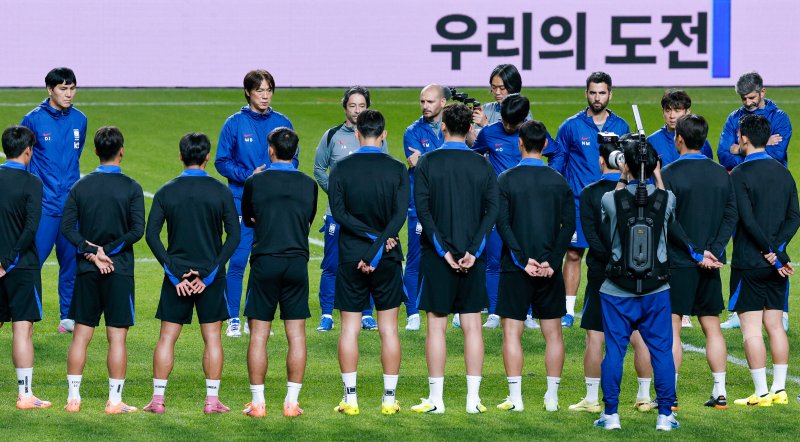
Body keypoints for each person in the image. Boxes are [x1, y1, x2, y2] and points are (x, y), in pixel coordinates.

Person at [411, 104, 498, 414]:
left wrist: (443, 250)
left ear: (443, 126)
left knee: (436, 328)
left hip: (438, 257)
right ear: (469, 130)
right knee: (472, 326)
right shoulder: (483, 165)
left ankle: (437, 400)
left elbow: (423, 211)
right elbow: (492, 211)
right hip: (472, 257)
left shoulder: (428, 162)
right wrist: (473, 250)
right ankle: (473, 401)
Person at [144, 133, 240, 414]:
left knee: (166, 337)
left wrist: (174, 274)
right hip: (210, 276)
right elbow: (233, 237)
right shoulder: (221, 191)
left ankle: (158, 400)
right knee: (212, 338)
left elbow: (151, 236)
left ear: (180, 156)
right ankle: (212, 401)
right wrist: (209, 275)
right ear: (208, 157)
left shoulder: (166, 191)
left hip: (177, 278)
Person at [593, 136, 679, 432]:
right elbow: (665, 202)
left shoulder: (610, 199)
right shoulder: (667, 199)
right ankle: (665, 416)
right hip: (656, 290)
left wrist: (624, 175)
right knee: (661, 353)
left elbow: (612, 207)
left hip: (617, 291)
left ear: (626, 166)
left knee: (614, 353)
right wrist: (655, 173)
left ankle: (611, 415)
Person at [329, 110, 409, 416]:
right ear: (384, 134)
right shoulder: (397, 168)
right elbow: (400, 215)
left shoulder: (341, 169)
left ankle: (350, 399)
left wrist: (368, 241)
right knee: (388, 329)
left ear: (358, 133)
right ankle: (389, 400)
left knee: (349, 328)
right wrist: (380, 241)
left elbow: (339, 213)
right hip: (387, 255)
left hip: (352, 256)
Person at [60, 126, 145, 414]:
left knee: (81, 334)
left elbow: (67, 229)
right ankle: (115, 401)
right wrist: (109, 251)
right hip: (119, 270)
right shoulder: (132, 187)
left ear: (95, 151)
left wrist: (93, 252)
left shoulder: (80, 187)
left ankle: (73, 399)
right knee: (117, 337)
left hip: (87, 269)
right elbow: (137, 231)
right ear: (122, 150)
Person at [570, 141, 657, 414]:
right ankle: (643, 397)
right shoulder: (642, 192)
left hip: (601, 272)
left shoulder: (589, 193)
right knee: (639, 335)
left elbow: (590, 237)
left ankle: (593, 399)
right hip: (638, 271)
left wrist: (610, 258)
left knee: (595, 336)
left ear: (600, 161)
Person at [494, 120, 574, 412]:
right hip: (549, 270)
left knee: (512, 333)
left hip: (516, 268)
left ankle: (516, 399)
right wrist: (552, 261)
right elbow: (569, 228)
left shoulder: (506, 179)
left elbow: (501, 223)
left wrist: (520, 257)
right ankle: (551, 398)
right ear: (544, 146)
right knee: (553, 334)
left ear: (520, 143)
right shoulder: (559, 181)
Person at [214, 69, 298, 338]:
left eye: (269, 90)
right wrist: (249, 176)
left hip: (274, 205)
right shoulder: (234, 124)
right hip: (242, 202)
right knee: (238, 260)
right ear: (248, 92)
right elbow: (222, 161)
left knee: (263, 262)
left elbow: (293, 160)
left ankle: (255, 318)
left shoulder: (283, 122)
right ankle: (233, 319)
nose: (265, 95)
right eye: (260, 90)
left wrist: (275, 173)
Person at [240, 128, 318, 418]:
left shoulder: (255, 181)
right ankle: (291, 403)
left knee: (258, 336)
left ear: (270, 149)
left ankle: (258, 403)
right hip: (296, 261)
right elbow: (308, 218)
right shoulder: (308, 184)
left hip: (265, 261)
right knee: (296, 336)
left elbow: (248, 217)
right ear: (295, 151)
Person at [662, 115, 737, 409]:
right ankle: (720, 392)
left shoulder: (667, 174)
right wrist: (714, 251)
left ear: (678, 138)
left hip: (679, 263)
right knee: (712, 326)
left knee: (672, 328)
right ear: (703, 140)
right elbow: (731, 214)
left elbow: (669, 219)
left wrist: (695, 252)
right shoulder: (721, 174)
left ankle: (671, 395)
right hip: (711, 263)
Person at [545, 72, 630, 327]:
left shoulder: (622, 127)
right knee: (573, 254)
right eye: (593, 92)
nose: (597, 97)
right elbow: (559, 161)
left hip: (614, 202)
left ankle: (614, 303)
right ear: (586, 93)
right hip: (580, 203)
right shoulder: (571, 126)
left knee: (613, 254)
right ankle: (568, 310)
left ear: (610, 94)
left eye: (602, 93)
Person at [728, 115, 799, 407]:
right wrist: (778, 252)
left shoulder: (739, 174)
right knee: (775, 325)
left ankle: (761, 393)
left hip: (749, 262)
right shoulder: (784, 172)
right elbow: (795, 216)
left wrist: (769, 251)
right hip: (777, 266)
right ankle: (780, 390)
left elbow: (747, 219)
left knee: (751, 329)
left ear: (743, 138)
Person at [717, 71, 793, 331]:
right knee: (742, 244)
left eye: (751, 97)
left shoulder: (780, 118)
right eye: (743, 98)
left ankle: (780, 310)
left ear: (763, 92)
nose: (747, 103)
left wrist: (739, 148)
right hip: (744, 186)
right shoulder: (733, 118)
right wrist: (752, 147)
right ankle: (741, 311)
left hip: (773, 188)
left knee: (777, 242)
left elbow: (776, 153)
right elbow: (722, 155)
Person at [20, 67, 88, 333]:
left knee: (71, 261)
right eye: (63, 89)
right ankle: (27, 314)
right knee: (31, 263)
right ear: (49, 89)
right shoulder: (33, 120)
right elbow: (24, 159)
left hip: (71, 207)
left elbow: (76, 155)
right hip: (43, 207)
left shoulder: (80, 119)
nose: (68, 94)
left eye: (72, 88)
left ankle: (67, 317)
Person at [472, 93, 546, 329]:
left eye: (512, 123)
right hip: (496, 204)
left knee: (528, 258)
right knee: (494, 258)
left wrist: (547, 177)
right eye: (503, 120)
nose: (506, 126)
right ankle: (494, 312)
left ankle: (528, 313)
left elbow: (555, 151)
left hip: (527, 206)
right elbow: (474, 158)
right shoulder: (489, 132)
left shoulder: (532, 135)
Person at [313, 86, 383, 332]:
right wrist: (335, 194)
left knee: (367, 263)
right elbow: (319, 169)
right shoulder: (332, 135)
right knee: (332, 264)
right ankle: (327, 315)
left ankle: (366, 313)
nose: (357, 111)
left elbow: (382, 171)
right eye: (352, 106)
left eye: (362, 106)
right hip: (337, 215)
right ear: (345, 107)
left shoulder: (376, 137)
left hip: (367, 217)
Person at [0, 125, 50, 410]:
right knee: (22, 330)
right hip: (21, 267)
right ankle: (25, 395)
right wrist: (8, 260)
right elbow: (31, 228)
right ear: (28, 150)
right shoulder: (33, 183)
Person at [402, 84, 447, 330]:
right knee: (415, 258)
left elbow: (433, 164)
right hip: (419, 205)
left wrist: (427, 159)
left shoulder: (450, 127)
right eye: (422, 101)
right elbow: (446, 164)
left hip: (447, 205)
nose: (425, 106)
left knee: (452, 254)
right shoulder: (412, 131)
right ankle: (412, 312)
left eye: (430, 101)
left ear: (443, 103)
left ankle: (455, 309)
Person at [647, 89, 713, 166]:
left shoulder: (699, 140)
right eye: (668, 111)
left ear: (687, 111)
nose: (672, 116)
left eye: (677, 111)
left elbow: (708, 169)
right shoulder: (651, 141)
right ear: (663, 111)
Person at [472, 64, 531, 130]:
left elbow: (514, 139)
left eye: (502, 88)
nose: (497, 92)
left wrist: (485, 125)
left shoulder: (520, 112)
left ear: (513, 87)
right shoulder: (485, 109)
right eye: (494, 87)